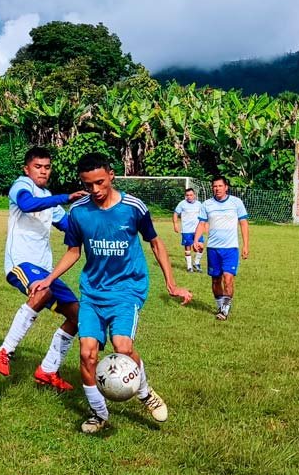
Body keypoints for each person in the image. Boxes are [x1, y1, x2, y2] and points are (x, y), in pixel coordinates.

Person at [31, 153, 191, 434]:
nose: (95, 190)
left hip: (126, 290)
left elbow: (155, 243)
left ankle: (145, 393)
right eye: (88, 184)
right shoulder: (78, 212)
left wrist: (172, 283)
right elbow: (73, 251)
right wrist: (49, 279)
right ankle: (98, 413)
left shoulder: (133, 208)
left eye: (100, 182)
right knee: (87, 354)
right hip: (93, 292)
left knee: (123, 348)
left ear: (111, 175)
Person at [0, 146, 87, 391]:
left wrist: (93, 227)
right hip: (21, 264)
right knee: (41, 293)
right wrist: (65, 197)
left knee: (78, 315)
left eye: (47, 167)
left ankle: (47, 370)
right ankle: (5, 351)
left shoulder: (49, 200)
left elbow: (67, 226)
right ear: (27, 168)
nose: (43, 172)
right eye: (38, 167)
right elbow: (27, 204)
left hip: (46, 271)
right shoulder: (21, 186)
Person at [193, 176, 249, 321]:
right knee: (216, 280)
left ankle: (225, 309)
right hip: (213, 248)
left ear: (226, 187)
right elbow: (201, 224)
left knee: (228, 279)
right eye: (214, 186)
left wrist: (246, 245)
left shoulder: (236, 203)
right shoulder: (207, 204)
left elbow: (243, 223)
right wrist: (196, 240)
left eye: (219, 186)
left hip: (231, 248)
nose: (216, 189)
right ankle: (220, 305)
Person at [172, 188, 202, 272]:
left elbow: (203, 215)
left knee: (200, 247)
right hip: (186, 230)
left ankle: (196, 263)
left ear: (194, 195)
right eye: (187, 195)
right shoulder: (182, 204)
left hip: (197, 230)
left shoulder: (199, 204)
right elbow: (175, 213)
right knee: (188, 248)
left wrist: (205, 225)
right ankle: (189, 267)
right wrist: (175, 224)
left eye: (191, 195)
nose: (189, 197)